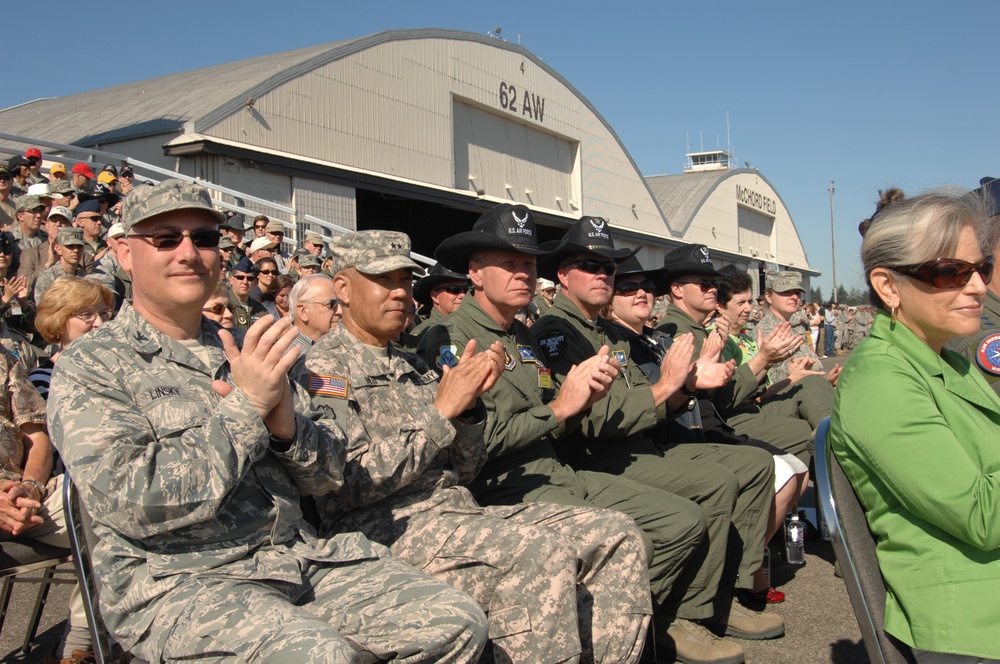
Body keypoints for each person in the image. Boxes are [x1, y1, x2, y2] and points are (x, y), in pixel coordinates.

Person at [47, 179, 490, 663]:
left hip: (296, 559)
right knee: (318, 656)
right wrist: (247, 409)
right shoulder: (93, 365)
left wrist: (287, 432)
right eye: (166, 238)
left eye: (204, 238)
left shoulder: (261, 348)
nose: (189, 252)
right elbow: (133, 501)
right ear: (124, 253)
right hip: (181, 581)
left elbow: (329, 476)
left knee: (455, 621)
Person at [295, 228, 653, 664]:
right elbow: (345, 487)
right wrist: (440, 413)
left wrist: (467, 414)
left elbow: (464, 470)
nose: (400, 293)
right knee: (540, 553)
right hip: (379, 529)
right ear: (344, 289)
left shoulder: (411, 364)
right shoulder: (321, 369)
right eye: (383, 280)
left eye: (405, 280)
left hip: (455, 509)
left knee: (615, 535)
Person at [420, 205, 720, 663]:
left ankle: (625, 630)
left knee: (681, 522)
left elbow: (559, 408)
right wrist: (564, 406)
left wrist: (585, 397)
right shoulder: (453, 340)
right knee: (634, 539)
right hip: (505, 488)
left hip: (557, 470)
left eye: (528, 264)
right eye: (510, 264)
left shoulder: (521, 335)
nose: (523, 274)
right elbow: (479, 440)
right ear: (475, 273)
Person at [532, 219, 782, 660]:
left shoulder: (605, 332)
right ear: (563, 276)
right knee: (712, 486)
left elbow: (646, 397)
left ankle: (719, 597)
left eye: (608, 267)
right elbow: (594, 419)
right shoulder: (557, 332)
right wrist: (672, 387)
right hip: (596, 456)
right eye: (590, 265)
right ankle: (676, 616)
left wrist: (681, 386)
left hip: (636, 444)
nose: (604, 274)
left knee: (752, 466)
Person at [829, 188, 1000, 663]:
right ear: (887, 286)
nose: (977, 287)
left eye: (980, 268)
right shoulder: (880, 380)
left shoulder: (945, 359)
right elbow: (982, 516)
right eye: (949, 272)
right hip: (973, 619)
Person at [0, 342, 94, 664]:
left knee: (102, 504)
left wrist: (29, 488)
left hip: (24, 498)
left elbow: (37, 437)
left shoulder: (5, 360)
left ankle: (78, 648)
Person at [713, 269, 833, 468]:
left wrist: (790, 375)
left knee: (815, 386)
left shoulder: (746, 340)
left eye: (750, 302)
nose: (748, 308)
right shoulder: (718, 339)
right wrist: (769, 363)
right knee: (807, 434)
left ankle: (829, 437)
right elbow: (730, 396)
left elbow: (762, 389)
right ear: (720, 306)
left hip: (760, 405)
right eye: (740, 303)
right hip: (738, 416)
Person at [31, 278, 115, 399]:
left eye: (103, 313)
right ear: (59, 320)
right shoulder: (43, 381)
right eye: (86, 314)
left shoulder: (117, 371)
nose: (100, 323)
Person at [757, 272, 840, 386]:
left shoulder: (791, 327)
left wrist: (827, 380)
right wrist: (790, 372)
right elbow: (763, 381)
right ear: (768, 296)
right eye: (786, 292)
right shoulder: (764, 332)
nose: (794, 297)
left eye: (797, 293)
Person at [411, 263, 468, 337]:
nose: (462, 295)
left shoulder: (468, 326)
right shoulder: (423, 334)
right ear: (435, 296)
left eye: (466, 289)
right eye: (454, 290)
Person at [288, 274, 340, 355]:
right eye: (332, 304)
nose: (340, 311)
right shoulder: (295, 358)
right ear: (303, 312)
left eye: (341, 303)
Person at [32, 228, 88, 304]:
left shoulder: (85, 277)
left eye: (79, 246)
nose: (76, 250)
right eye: (70, 246)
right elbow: (42, 308)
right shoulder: (47, 277)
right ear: (58, 249)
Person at [227, 257, 269, 330]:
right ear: (231, 280)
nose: (245, 282)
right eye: (240, 277)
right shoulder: (222, 305)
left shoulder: (260, 310)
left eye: (250, 278)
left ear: (255, 282)